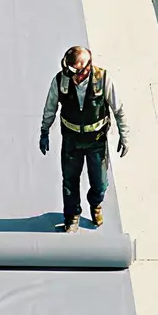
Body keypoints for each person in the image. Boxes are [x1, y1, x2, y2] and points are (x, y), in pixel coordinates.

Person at [39, 45, 128, 230]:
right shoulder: (60, 81)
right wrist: (44, 132)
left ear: (86, 68)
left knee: (100, 183)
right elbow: (50, 108)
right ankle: (72, 217)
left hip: (96, 142)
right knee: (70, 181)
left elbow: (118, 109)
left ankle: (95, 203)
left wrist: (124, 135)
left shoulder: (102, 79)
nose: (74, 77)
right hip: (71, 141)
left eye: (77, 73)